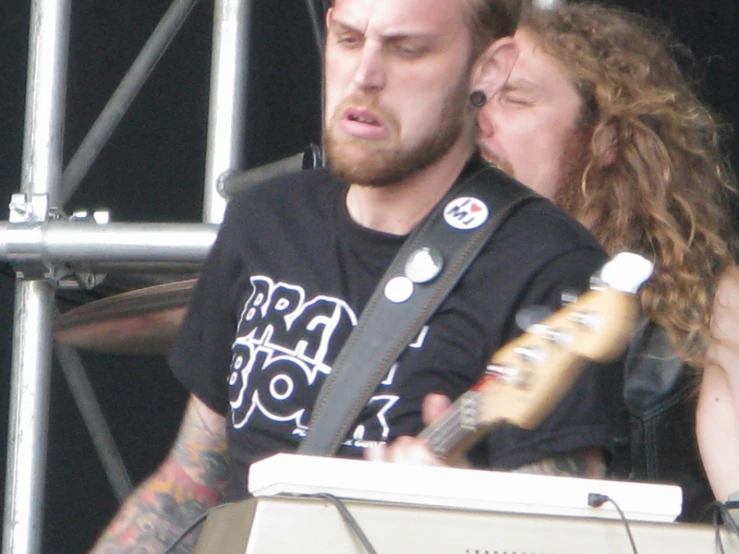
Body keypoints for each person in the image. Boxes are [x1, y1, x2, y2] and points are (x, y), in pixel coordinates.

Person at [90, 0, 631, 551]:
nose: (366, 77)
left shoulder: (545, 264)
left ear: (488, 70)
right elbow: (188, 481)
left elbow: (570, 542)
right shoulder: (266, 220)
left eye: (407, 49)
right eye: (349, 40)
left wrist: (461, 520)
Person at [477, 2, 739, 519]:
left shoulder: (715, 308)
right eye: (473, 98)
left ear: (607, 137)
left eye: (515, 99)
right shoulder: (437, 297)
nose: (479, 121)